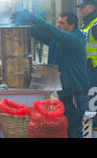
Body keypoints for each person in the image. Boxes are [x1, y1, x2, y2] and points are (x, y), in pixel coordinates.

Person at [15, 10, 90, 138]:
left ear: (71, 25)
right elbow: (42, 35)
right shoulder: (60, 38)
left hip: (76, 91)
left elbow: (53, 31)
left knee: (75, 127)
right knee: (66, 125)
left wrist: (32, 18)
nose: (58, 25)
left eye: (61, 23)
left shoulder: (74, 38)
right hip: (65, 89)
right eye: (57, 22)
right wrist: (25, 25)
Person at [77, 0, 97, 127]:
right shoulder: (86, 25)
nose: (80, 10)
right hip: (87, 70)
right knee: (88, 104)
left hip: (94, 70)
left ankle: (94, 131)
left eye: (83, 7)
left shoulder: (95, 25)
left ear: (92, 8)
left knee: (93, 105)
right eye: (79, 7)